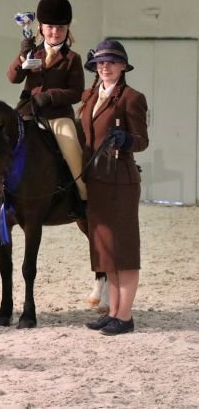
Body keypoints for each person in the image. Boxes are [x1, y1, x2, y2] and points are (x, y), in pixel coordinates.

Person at [79, 40, 148, 335]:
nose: (105, 67)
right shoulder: (89, 96)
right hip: (96, 181)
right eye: (100, 62)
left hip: (120, 182)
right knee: (106, 250)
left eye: (111, 62)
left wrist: (127, 140)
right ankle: (113, 312)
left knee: (124, 251)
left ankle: (125, 316)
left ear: (122, 66)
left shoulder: (132, 98)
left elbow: (142, 140)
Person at [6, 0, 87, 219]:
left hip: (57, 115)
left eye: (60, 28)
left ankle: (83, 197)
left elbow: (77, 92)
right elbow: (13, 79)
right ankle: (0, 199)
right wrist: (21, 58)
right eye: (50, 27)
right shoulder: (33, 52)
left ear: (67, 29)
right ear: (40, 27)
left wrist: (50, 96)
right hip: (27, 111)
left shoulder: (73, 59)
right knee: (2, 142)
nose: (54, 32)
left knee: (72, 149)